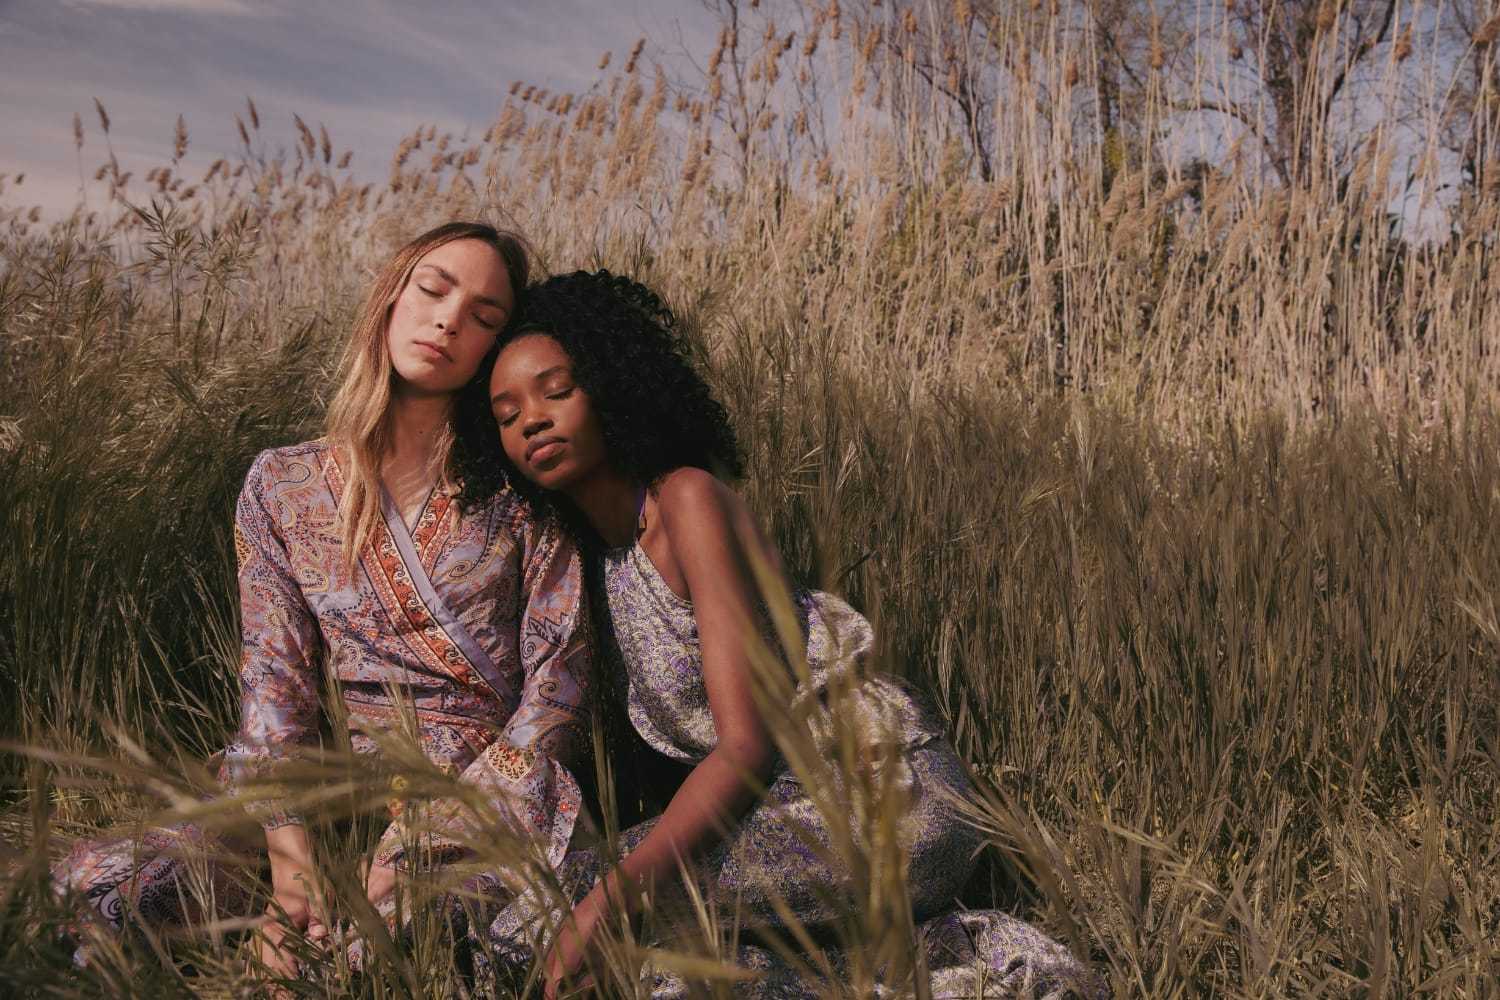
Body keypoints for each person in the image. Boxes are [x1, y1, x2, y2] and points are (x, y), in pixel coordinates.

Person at [457, 270, 1103, 998]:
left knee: (576, 911)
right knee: (536, 929)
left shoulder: (688, 500)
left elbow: (745, 748)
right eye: (506, 415)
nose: (532, 421)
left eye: (556, 391)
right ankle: (914, 972)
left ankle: (989, 967)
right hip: (780, 819)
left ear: (609, 385)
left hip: (885, 800)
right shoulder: (590, 564)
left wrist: (612, 899)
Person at [52, 222, 593, 980]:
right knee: (91, 896)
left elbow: (558, 687)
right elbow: (274, 687)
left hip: (472, 797)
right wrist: (291, 867)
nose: (448, 321)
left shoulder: (522, 494)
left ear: (493, 349)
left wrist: (419, 842)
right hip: (320, 791)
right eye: (434, 290)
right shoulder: (282, 484)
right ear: (391, 298)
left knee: (359, 960)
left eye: (483, 316)